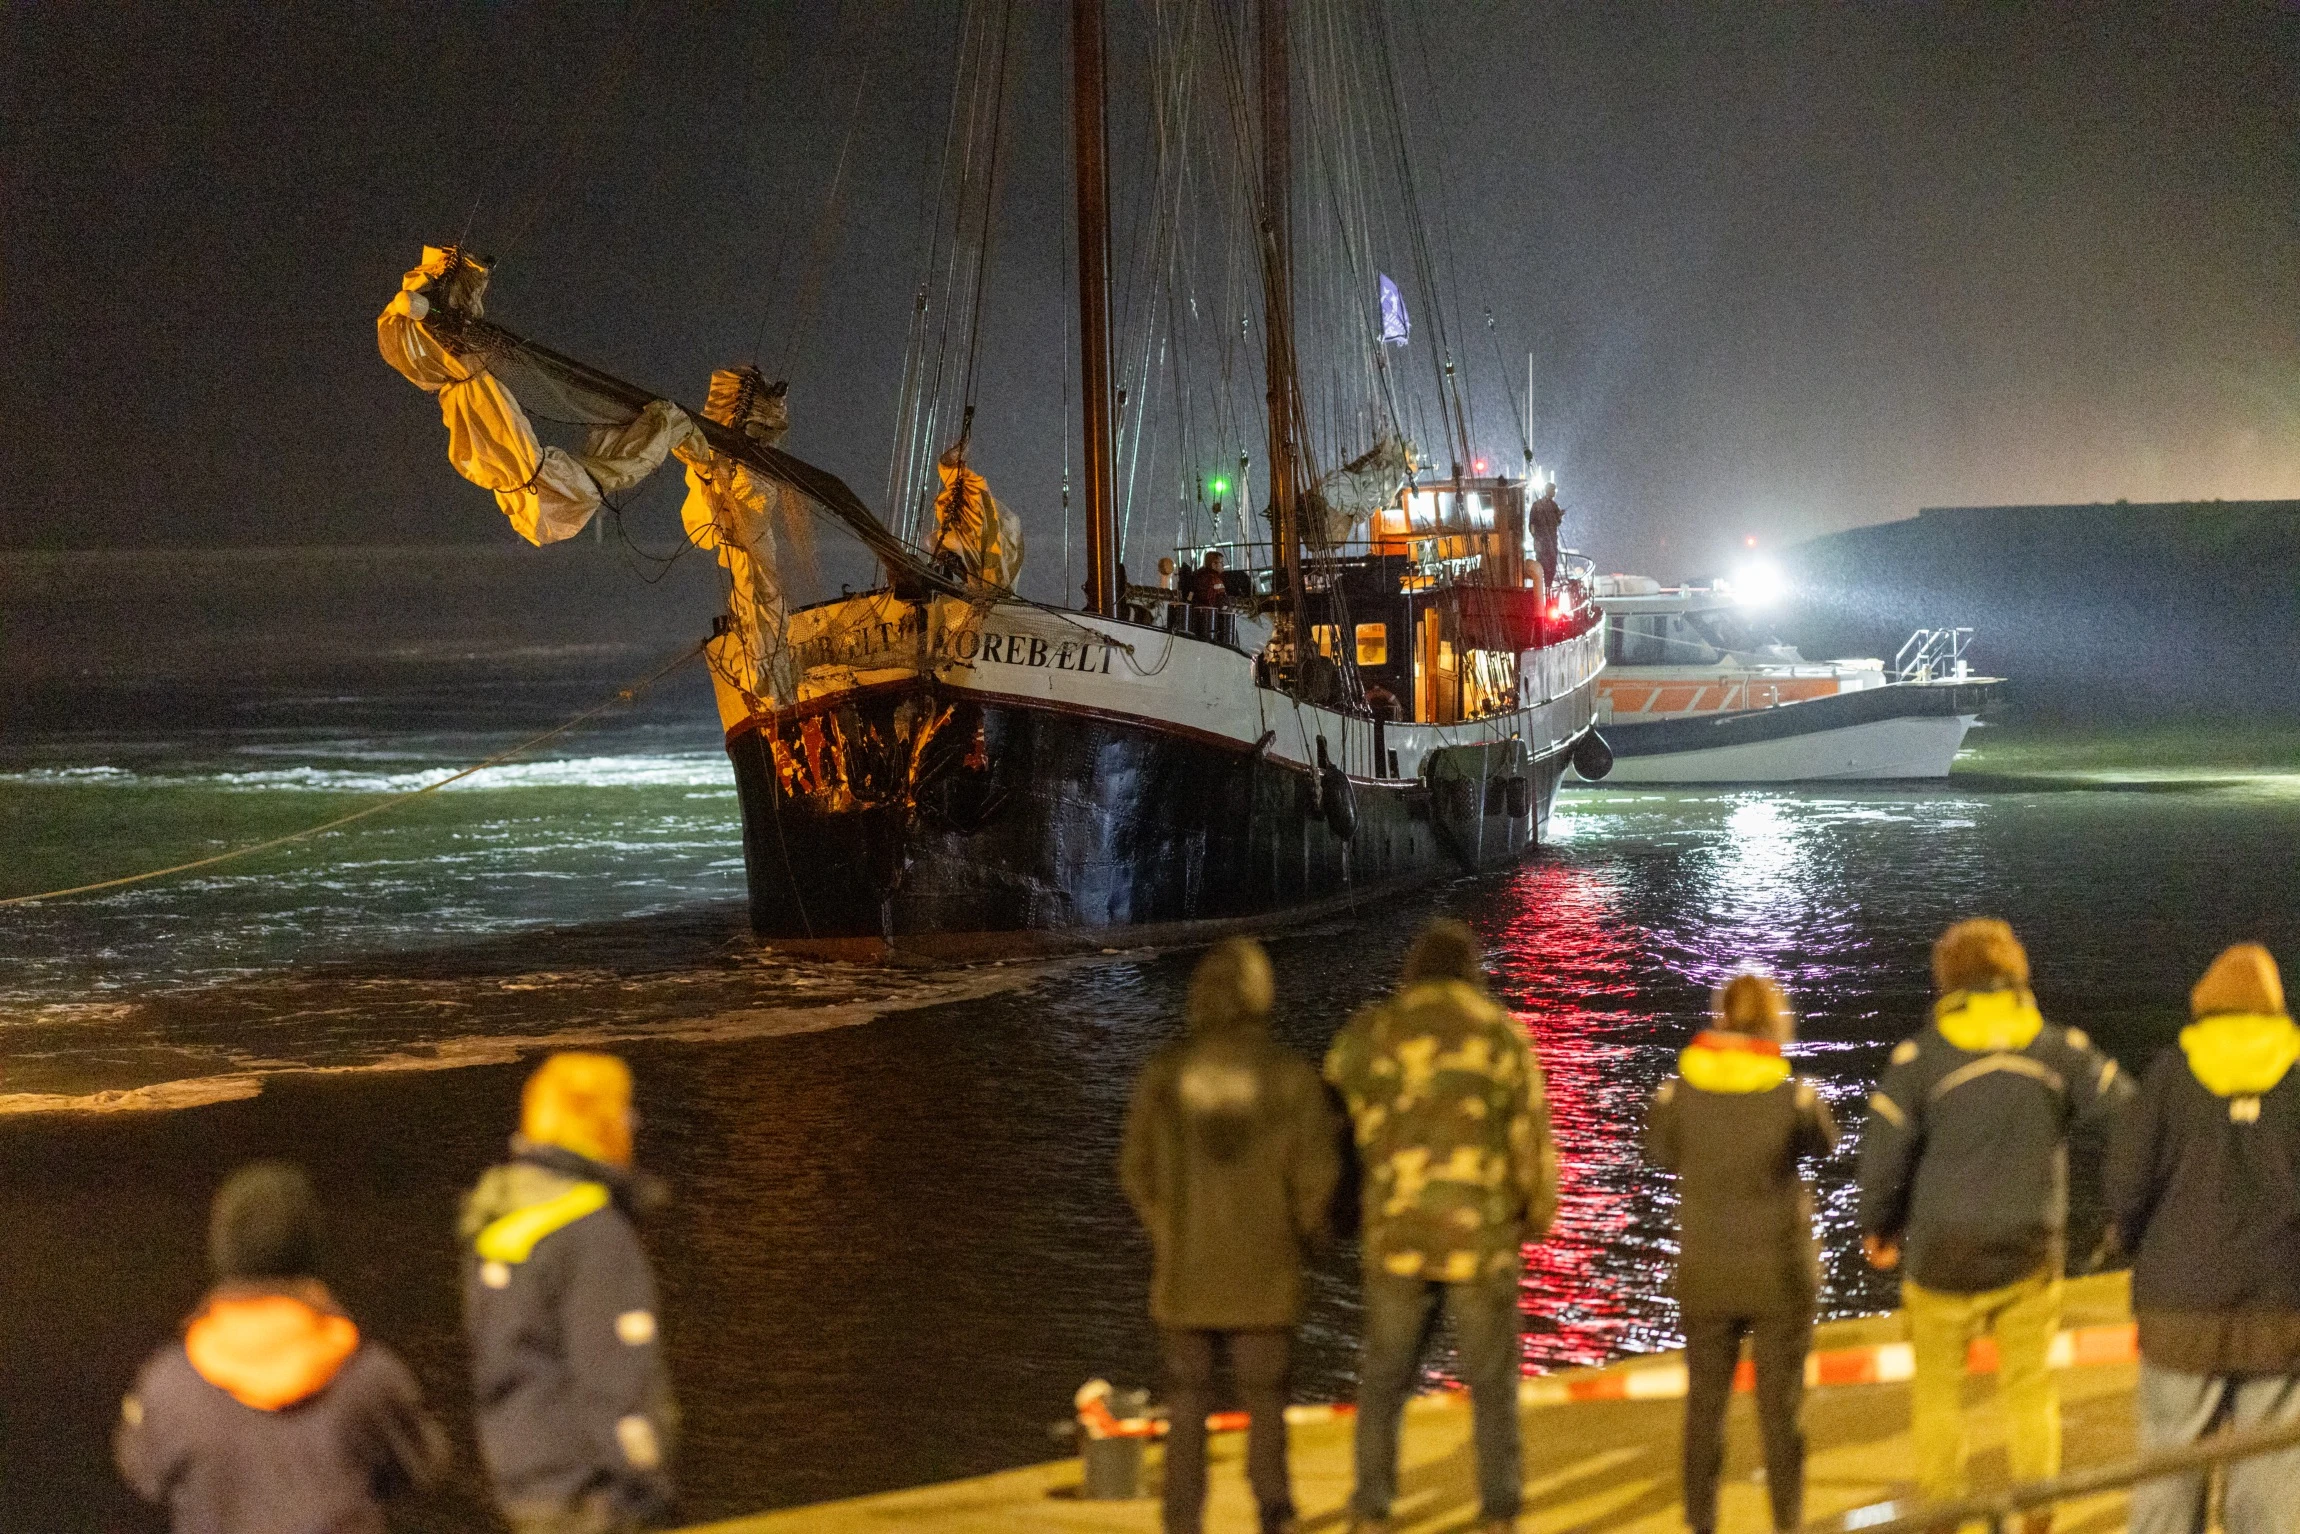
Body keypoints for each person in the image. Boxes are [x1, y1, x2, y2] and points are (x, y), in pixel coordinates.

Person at [1856, 918, 2131, 1525]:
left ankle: (1946, 1516)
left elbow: (1883, 1159)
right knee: (2029, 1391)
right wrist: (2122, 1212)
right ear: (2017, 975)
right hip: (2029, 1251)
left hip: (1940, 1255)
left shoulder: (1919, 1059)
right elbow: (2130, 1119)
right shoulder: (2059, 1049)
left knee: (1937, 1398)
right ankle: (2037, 1514)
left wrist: (1878, 1227)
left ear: (1946, 981)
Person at [1325, 919, 1559, 1534]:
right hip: (1479, 1238)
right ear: (1471, 974)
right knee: (1490, 1380)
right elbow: (1530, 1141)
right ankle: (1497, 1511)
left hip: (1395, 1234)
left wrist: (1340, 1214)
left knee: (1384, 1375)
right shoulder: (1502, 1036)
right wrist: (1534, 1216)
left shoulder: (1369, 1034)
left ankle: (1371, 1509)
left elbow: (1327, 1130)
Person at [1120, 938, 1340, 1534]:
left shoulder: (1164, 1075)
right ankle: (1273, 1511)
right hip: (1265, 1277)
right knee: (1265, 1401)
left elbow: (1134, 1170)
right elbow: (1318, 1179)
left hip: (1186, 1276)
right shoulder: (1292, 1078)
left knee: (1186, 1403)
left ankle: (1182, 1519)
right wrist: (1298, 1236)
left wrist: (1167, 1231)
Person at [115, 1161, 447, 1533]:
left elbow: (143, 1471)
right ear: (312, 1249)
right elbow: (422, 1464)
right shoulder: (368, 1376)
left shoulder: (170, 1384)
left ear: (222, 1251)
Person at [2105, 943, 2300, 1534]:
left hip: (2179, 1305)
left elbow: (2127, 1186)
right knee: (2271, 1473)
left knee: (2170, 1466)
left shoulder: (2168, 1075)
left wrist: (2131, 1242)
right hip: (2281, 1303)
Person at [1645, 973, 1839, 1534]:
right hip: (1779, 1273)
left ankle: (1701, 1523)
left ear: (1720, 1018)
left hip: (1706, 1271)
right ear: (1774, 1021)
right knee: (1781, 1415)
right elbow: (1825, 1142)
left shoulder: (1679, 1090)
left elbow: (1657, 1150)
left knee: (1704, 1410)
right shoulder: (1792, 1094)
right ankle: (1787, 1522)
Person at [463, 1052, 678, 1534]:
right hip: (595, 1497)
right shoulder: (591, 1234)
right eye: (624, 1112)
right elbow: (614, 1377)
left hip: (524, 1482)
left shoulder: (500, 1220)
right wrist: (646, 1483)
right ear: (601, 1123)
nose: (632, 1125)